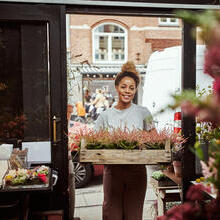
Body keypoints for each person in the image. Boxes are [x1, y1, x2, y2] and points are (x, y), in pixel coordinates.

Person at [94, 61, 156, 220]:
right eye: (123, 86)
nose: (127, 91)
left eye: (131, 87)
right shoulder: (105, 116)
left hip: (137, 172)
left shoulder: (144, 113)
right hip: (113, 173)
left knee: (134, 216)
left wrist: (146, 141)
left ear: (135, 90)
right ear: (116, 87)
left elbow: (156, 140)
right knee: (111, 215)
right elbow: (95, 146)